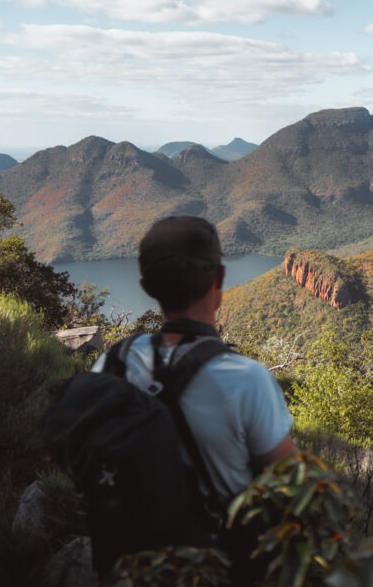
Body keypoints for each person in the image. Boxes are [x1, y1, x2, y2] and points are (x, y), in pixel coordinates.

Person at [92, 215, 295, 509]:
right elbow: (293, 487)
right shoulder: (246, 379)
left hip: (128, 551)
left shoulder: (110, 366)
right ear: (219, 278)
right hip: (216, 553)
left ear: (147, 287)